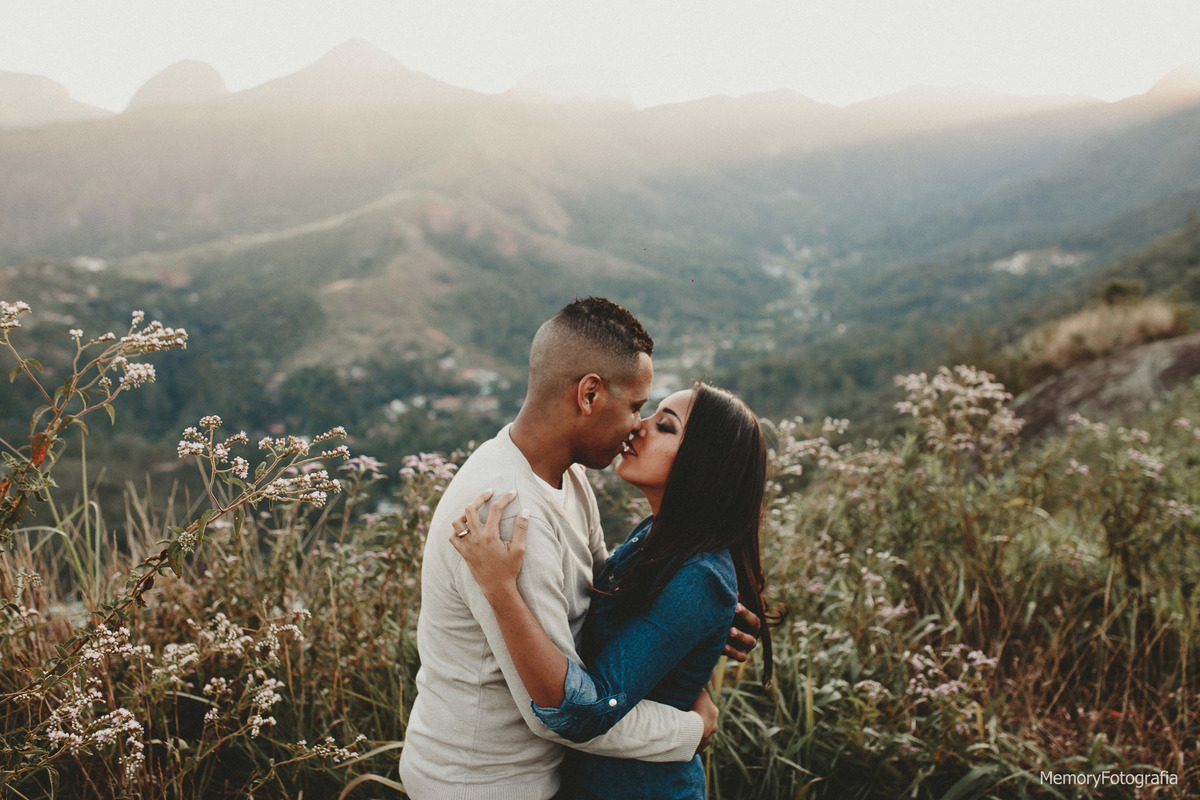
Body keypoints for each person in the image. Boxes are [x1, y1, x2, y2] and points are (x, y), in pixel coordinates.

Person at [398, 298, 759, 799]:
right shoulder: (507, 514)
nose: (638, 425)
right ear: (589, 394)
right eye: (637, 407)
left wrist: (694, 629)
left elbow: (601, 602)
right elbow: (561, 713)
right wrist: (688, 729)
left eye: (655, 418)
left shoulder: (569, 482)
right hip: (484, 784)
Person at [450, 382, 773, 799]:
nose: (639, 426)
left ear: (703, 464)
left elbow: (583, 713)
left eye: (666, 426)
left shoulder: (700, 576)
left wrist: (500, 589)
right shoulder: (656, 536)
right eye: (651, 413)